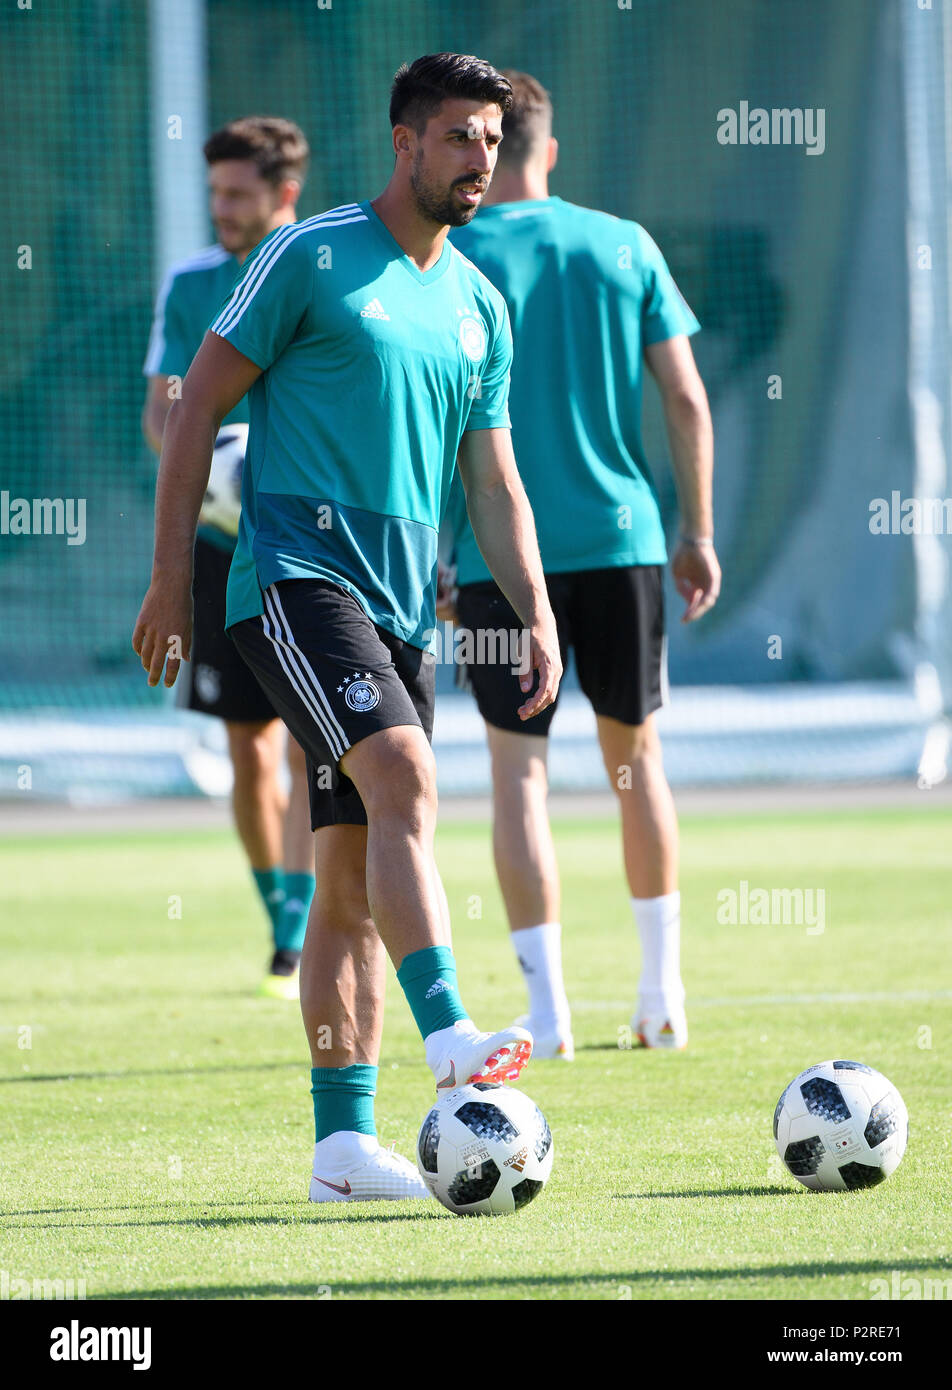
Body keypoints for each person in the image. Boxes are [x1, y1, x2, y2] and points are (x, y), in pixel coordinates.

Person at [132, 54, 562, 1203]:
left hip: (398, 605)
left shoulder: (479, 303)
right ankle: (453, 1037)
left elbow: (496, 485)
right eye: (457, 136)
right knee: (407, 778)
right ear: (404, 141)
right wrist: (172, 581)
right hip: (288, 574)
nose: (478, 157)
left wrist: (535, 609)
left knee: (346, 874)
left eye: (490, 137)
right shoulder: (310, 254)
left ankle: (340, 1149)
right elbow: (190, 413)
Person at [445, 71, 720, 1057]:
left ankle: (548, 1013)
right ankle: (660, 995)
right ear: (548, 150)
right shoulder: (622, 243)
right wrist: (696, 530)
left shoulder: (449, 253)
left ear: (482, 147)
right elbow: (686, 400)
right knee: (635, 764)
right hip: (620, 541)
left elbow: (444, 430)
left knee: (518, 776)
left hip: (496, 558)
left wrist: (441, 551)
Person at [142, 117, 316, 1001]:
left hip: (310, 542)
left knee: (307, 748)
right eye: (215, 193)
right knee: (248, 752)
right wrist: (208, 484)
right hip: (217, 550)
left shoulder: (320, 269)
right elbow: (162, 413)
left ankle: (298, 938)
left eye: (239, 194)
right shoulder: (190, 285)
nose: (223, 210)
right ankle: (280, 917)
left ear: (285, 193)